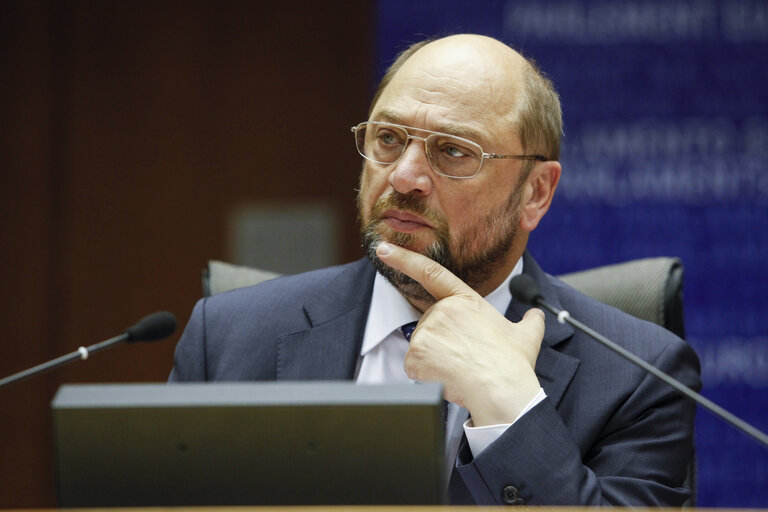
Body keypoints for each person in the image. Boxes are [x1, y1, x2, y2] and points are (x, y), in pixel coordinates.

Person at [170, 34, 700, 506]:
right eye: (388, 139)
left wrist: (509, 406)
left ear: (535, 192)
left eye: (452, 151)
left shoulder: (638, 377)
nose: (404, 177)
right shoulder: (228, 339)